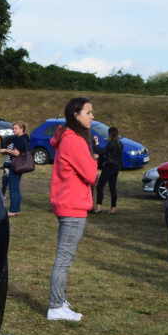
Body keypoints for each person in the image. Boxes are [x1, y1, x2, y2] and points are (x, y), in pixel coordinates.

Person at [47, 99, 98, 322]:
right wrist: (93, 159)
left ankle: (59, 302)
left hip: (67, 202)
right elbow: (91, 175)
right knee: (64, 258)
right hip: (73, 205)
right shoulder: (74, 141)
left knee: (64, 256)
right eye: (88, 112)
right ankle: (56, 306)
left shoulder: (66, 137)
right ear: (75, 114)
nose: (92, 116)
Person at [0, 120, 29, 217]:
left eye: (16, 128)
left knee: (13, 188)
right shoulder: (24, 137)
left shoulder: (20, 139)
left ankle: (13, 210)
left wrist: (6, 150)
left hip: (15, 166)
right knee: (16, 188)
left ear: (21, 129)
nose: (14, 130)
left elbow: (16, 153)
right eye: (13, 128)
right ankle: (16, 209)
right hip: (18, 165)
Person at [94, 126, 123, 214]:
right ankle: (113, 208)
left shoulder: (111, 143)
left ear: (110, 134)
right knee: (112, 187)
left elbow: (101, 152)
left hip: (109, 166)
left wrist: (97, 143)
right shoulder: (120, 144)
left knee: (100, 186)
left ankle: (98, 207)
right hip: (116, 167)